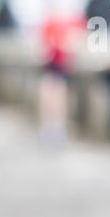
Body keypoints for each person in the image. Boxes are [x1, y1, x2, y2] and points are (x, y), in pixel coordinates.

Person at [38, 14, 78, 150]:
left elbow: (70, 55)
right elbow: (43, 53)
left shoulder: (67, 32)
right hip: (50, 71)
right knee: (48, 102)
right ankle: (49, 129)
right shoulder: (48, 31)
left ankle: (58, 131)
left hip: (60, 72)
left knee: (59, 103)